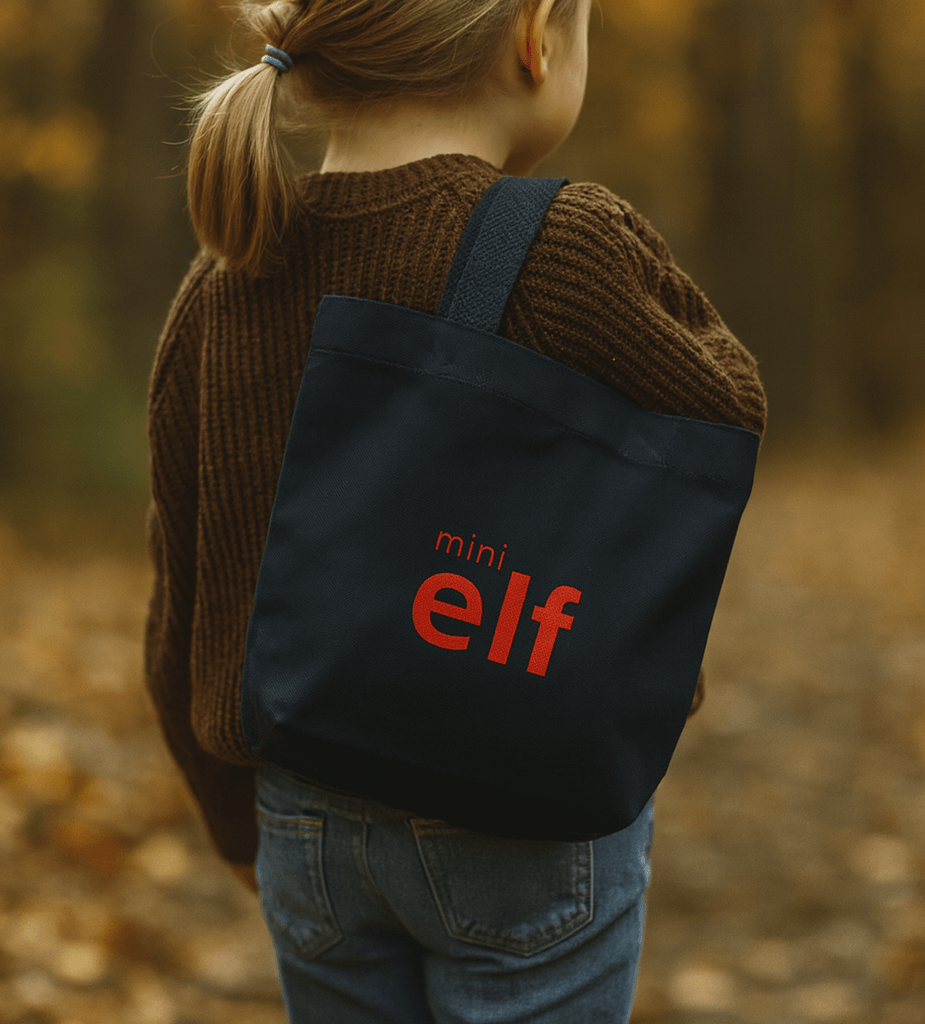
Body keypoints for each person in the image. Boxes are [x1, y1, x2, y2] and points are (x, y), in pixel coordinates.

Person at [145, 0, 768, 1019]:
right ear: (536, 34)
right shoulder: (571, 246)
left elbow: (183, 591)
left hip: (301, 816)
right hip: (524, 801)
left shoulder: (225, 281)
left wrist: (235, 823)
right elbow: (725, 405)